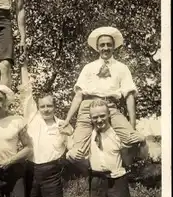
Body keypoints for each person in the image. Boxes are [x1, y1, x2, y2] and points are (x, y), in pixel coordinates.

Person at [60, 26, 145, 161]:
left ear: (114, 47)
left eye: (109, 45)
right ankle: (90, 167)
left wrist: (132, 126)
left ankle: (120, 168)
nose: (105, 48)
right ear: (98, 48)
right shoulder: (88, 67)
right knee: (77, 154)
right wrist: (67, 120)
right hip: (88, 106)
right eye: (102, 45)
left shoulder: (122, 68)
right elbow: (78, 95)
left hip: (110, 106)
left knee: (132, 139)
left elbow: (129, 96)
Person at [19, 62, 73, 197]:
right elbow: (26, 92)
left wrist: (69, 136)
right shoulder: (32, 117)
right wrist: (23, 66)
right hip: (31, 171)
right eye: (43, 106)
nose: (46, 109)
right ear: (39, 107)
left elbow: (73, 149)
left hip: (52, 173)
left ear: (54, 107)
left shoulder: (63, 125)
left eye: (49, 106)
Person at [71, 99, 138, 197]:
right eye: (95, 117)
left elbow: (132, 157)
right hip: (96, 180)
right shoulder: (87, 135)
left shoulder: (117, 133)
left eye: (102, 116)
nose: (99, 120)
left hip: (117, 178)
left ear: (109, 115)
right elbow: (72, 150)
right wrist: (72, 153)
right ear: (90, 118)